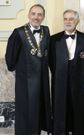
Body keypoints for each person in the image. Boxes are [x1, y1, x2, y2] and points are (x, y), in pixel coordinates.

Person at [5, 4, 51, 135]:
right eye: (34, 14)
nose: (36, 17)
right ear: (29, 15)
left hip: (42, 80)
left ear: (43, 17)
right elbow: (10, 57)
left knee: (38, 111)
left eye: (39, 14)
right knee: (25, 112)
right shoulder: (18, 32)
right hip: (25, 80)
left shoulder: (46, 31)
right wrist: (18, 70)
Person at [49, 9, 84, 135]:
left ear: (77, 21)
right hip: (59, 84)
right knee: (59, 113)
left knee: (80, 114)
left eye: (71, 19)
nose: (68, 21)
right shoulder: (53, 40)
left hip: (80, 85)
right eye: (65, 19)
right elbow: (51, 63)